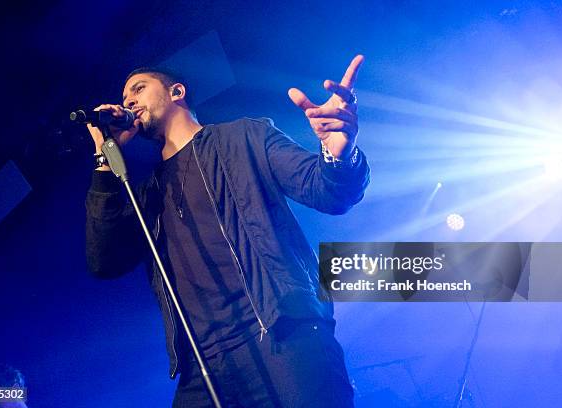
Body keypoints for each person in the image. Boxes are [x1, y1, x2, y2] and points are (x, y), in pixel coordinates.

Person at [85, 55, 370, 407]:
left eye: (138, 89)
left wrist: (338, 151)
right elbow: (104, 260)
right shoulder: (147, 194)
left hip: (283, 336)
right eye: (125, 97)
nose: (128, 101)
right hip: (203, 366)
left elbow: (328, 192)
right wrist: (103, 159)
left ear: (177, 92)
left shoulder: (244, 137)